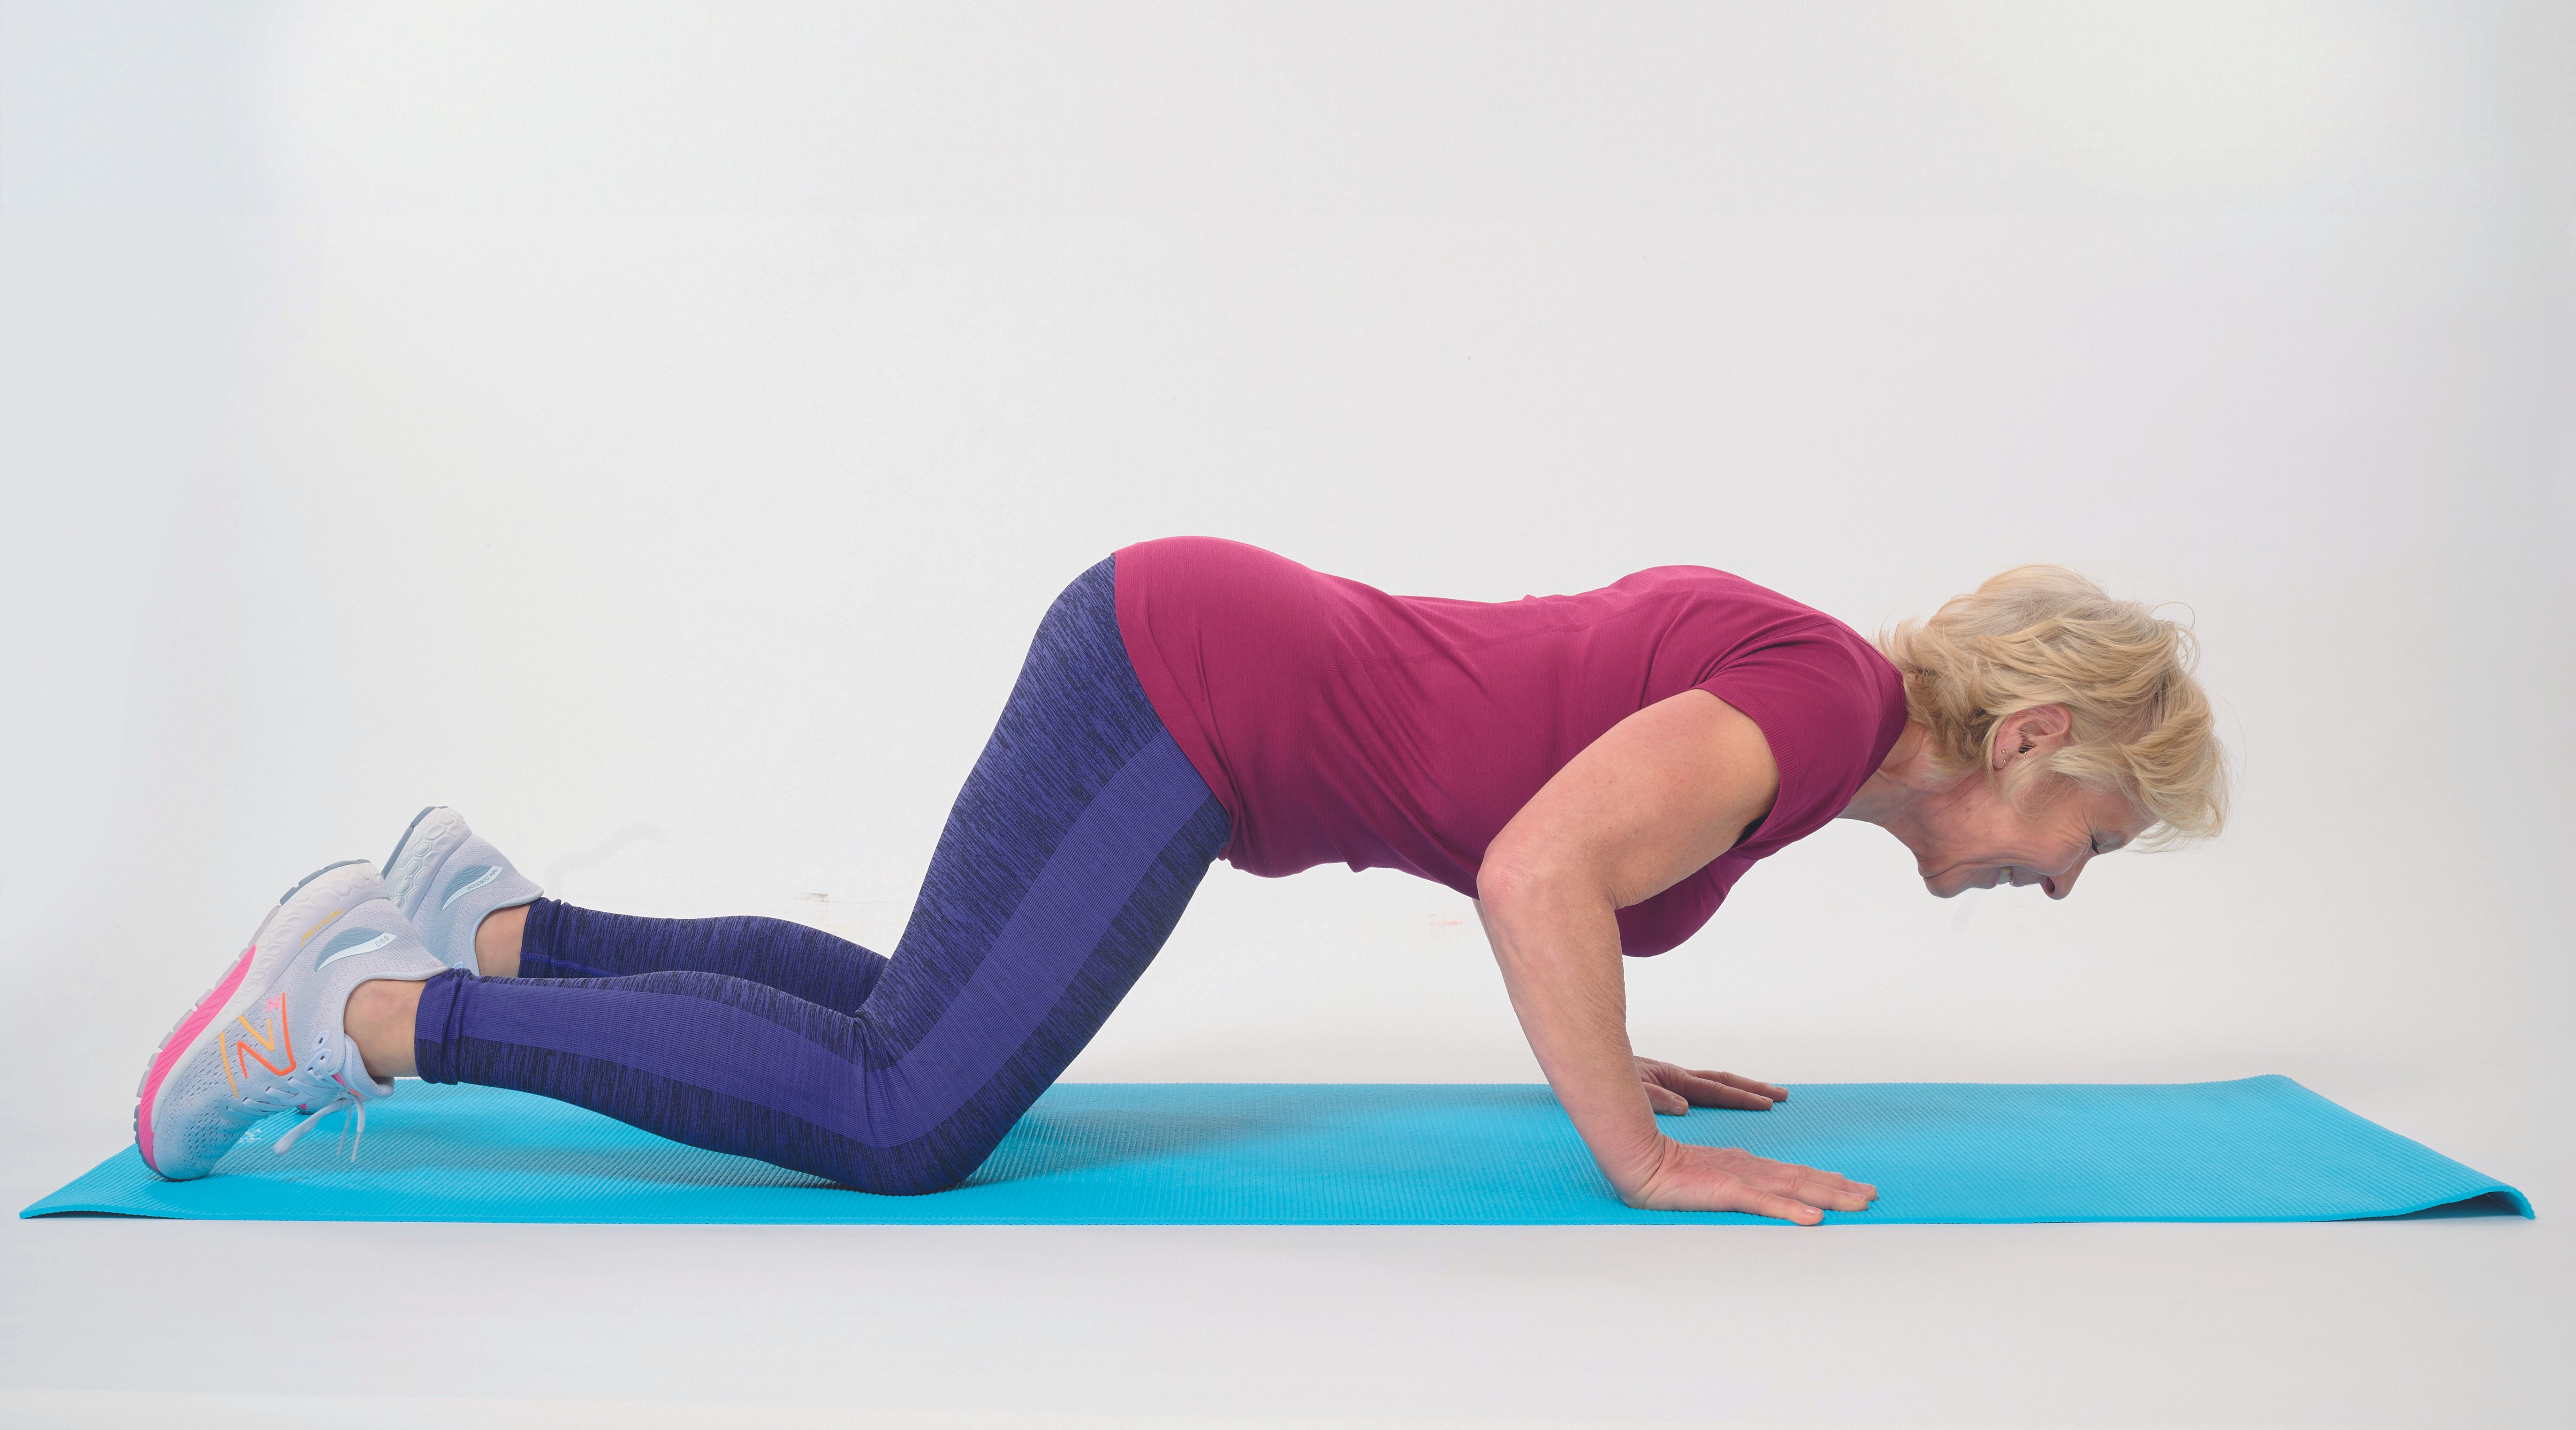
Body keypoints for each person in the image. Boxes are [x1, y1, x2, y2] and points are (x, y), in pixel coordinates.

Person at [132, 537, 2226, 1223]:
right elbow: (1529, 864)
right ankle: (355, 1013)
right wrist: (1634, 1158)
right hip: (1188, 692)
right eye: (2091, 837)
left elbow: (1544, 832)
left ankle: (480, 917)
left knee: (894, 1015)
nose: (2064, 877)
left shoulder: (1802, 733)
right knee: (909, 1107)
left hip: (1179, 659)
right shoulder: (1815, 696)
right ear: (2030, 741)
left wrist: (1619, 1038)